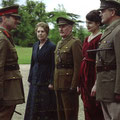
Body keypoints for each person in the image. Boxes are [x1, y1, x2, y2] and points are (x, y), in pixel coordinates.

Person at [91, 0, 120, 120]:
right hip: (106, 88)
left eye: (102, 11)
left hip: (114, 90)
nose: (100, 14)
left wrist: (118, 90)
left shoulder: (118, 31)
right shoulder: (108, 32)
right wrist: (97, 84)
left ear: (112, 12)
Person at [24, 22, 58, 120]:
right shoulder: (35, 45)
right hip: (35, 79)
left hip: (45, 81)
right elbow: (33, 62)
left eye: (42, 31)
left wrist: (52, 82)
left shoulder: (52, 46)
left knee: (44, 106)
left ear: (46, 32)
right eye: (38, 31)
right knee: (33, 104)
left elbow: (53, 65)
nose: (40, 33)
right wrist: (30, 79)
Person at [77, 10, 104, 120]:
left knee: (95, 105)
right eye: (86, 22)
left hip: (93, 74)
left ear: (97, 23)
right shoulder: (86, 39)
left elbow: (100, 61)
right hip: (84, 74)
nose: (87, 25)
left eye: (90, 23)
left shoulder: (101, 38)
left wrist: (96, 83)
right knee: (86, 104)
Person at [54, 17, 82, 120]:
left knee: (70, 115)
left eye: (63, 26)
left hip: (69, 85)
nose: (61, 29)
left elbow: (78, 66)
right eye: (59, 27)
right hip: (58, 84)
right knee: (60, 115)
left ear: (70, 28)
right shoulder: (59, 43)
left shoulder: (75, 42)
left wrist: (74, 86)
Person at [0, 5, 25, 120]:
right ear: (4, 18)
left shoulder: (6, 36)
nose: (18, 21)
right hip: (6, 91)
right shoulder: (2, 39)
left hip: (8, 89)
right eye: (15, 18)